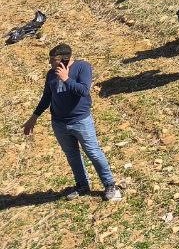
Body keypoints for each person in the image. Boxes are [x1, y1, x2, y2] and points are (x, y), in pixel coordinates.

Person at [22, 44, 123, 202]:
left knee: (93, 152)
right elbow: (47, 97)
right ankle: (82, 185)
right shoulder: (51, 74)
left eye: (53, 60)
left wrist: (66, 78)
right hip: (59, 123)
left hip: (80, 121)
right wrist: (33, 117)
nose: (50, 63)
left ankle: (110, 185)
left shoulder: (82, 67)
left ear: (65, 58)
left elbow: (83, 90)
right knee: (72, 156)